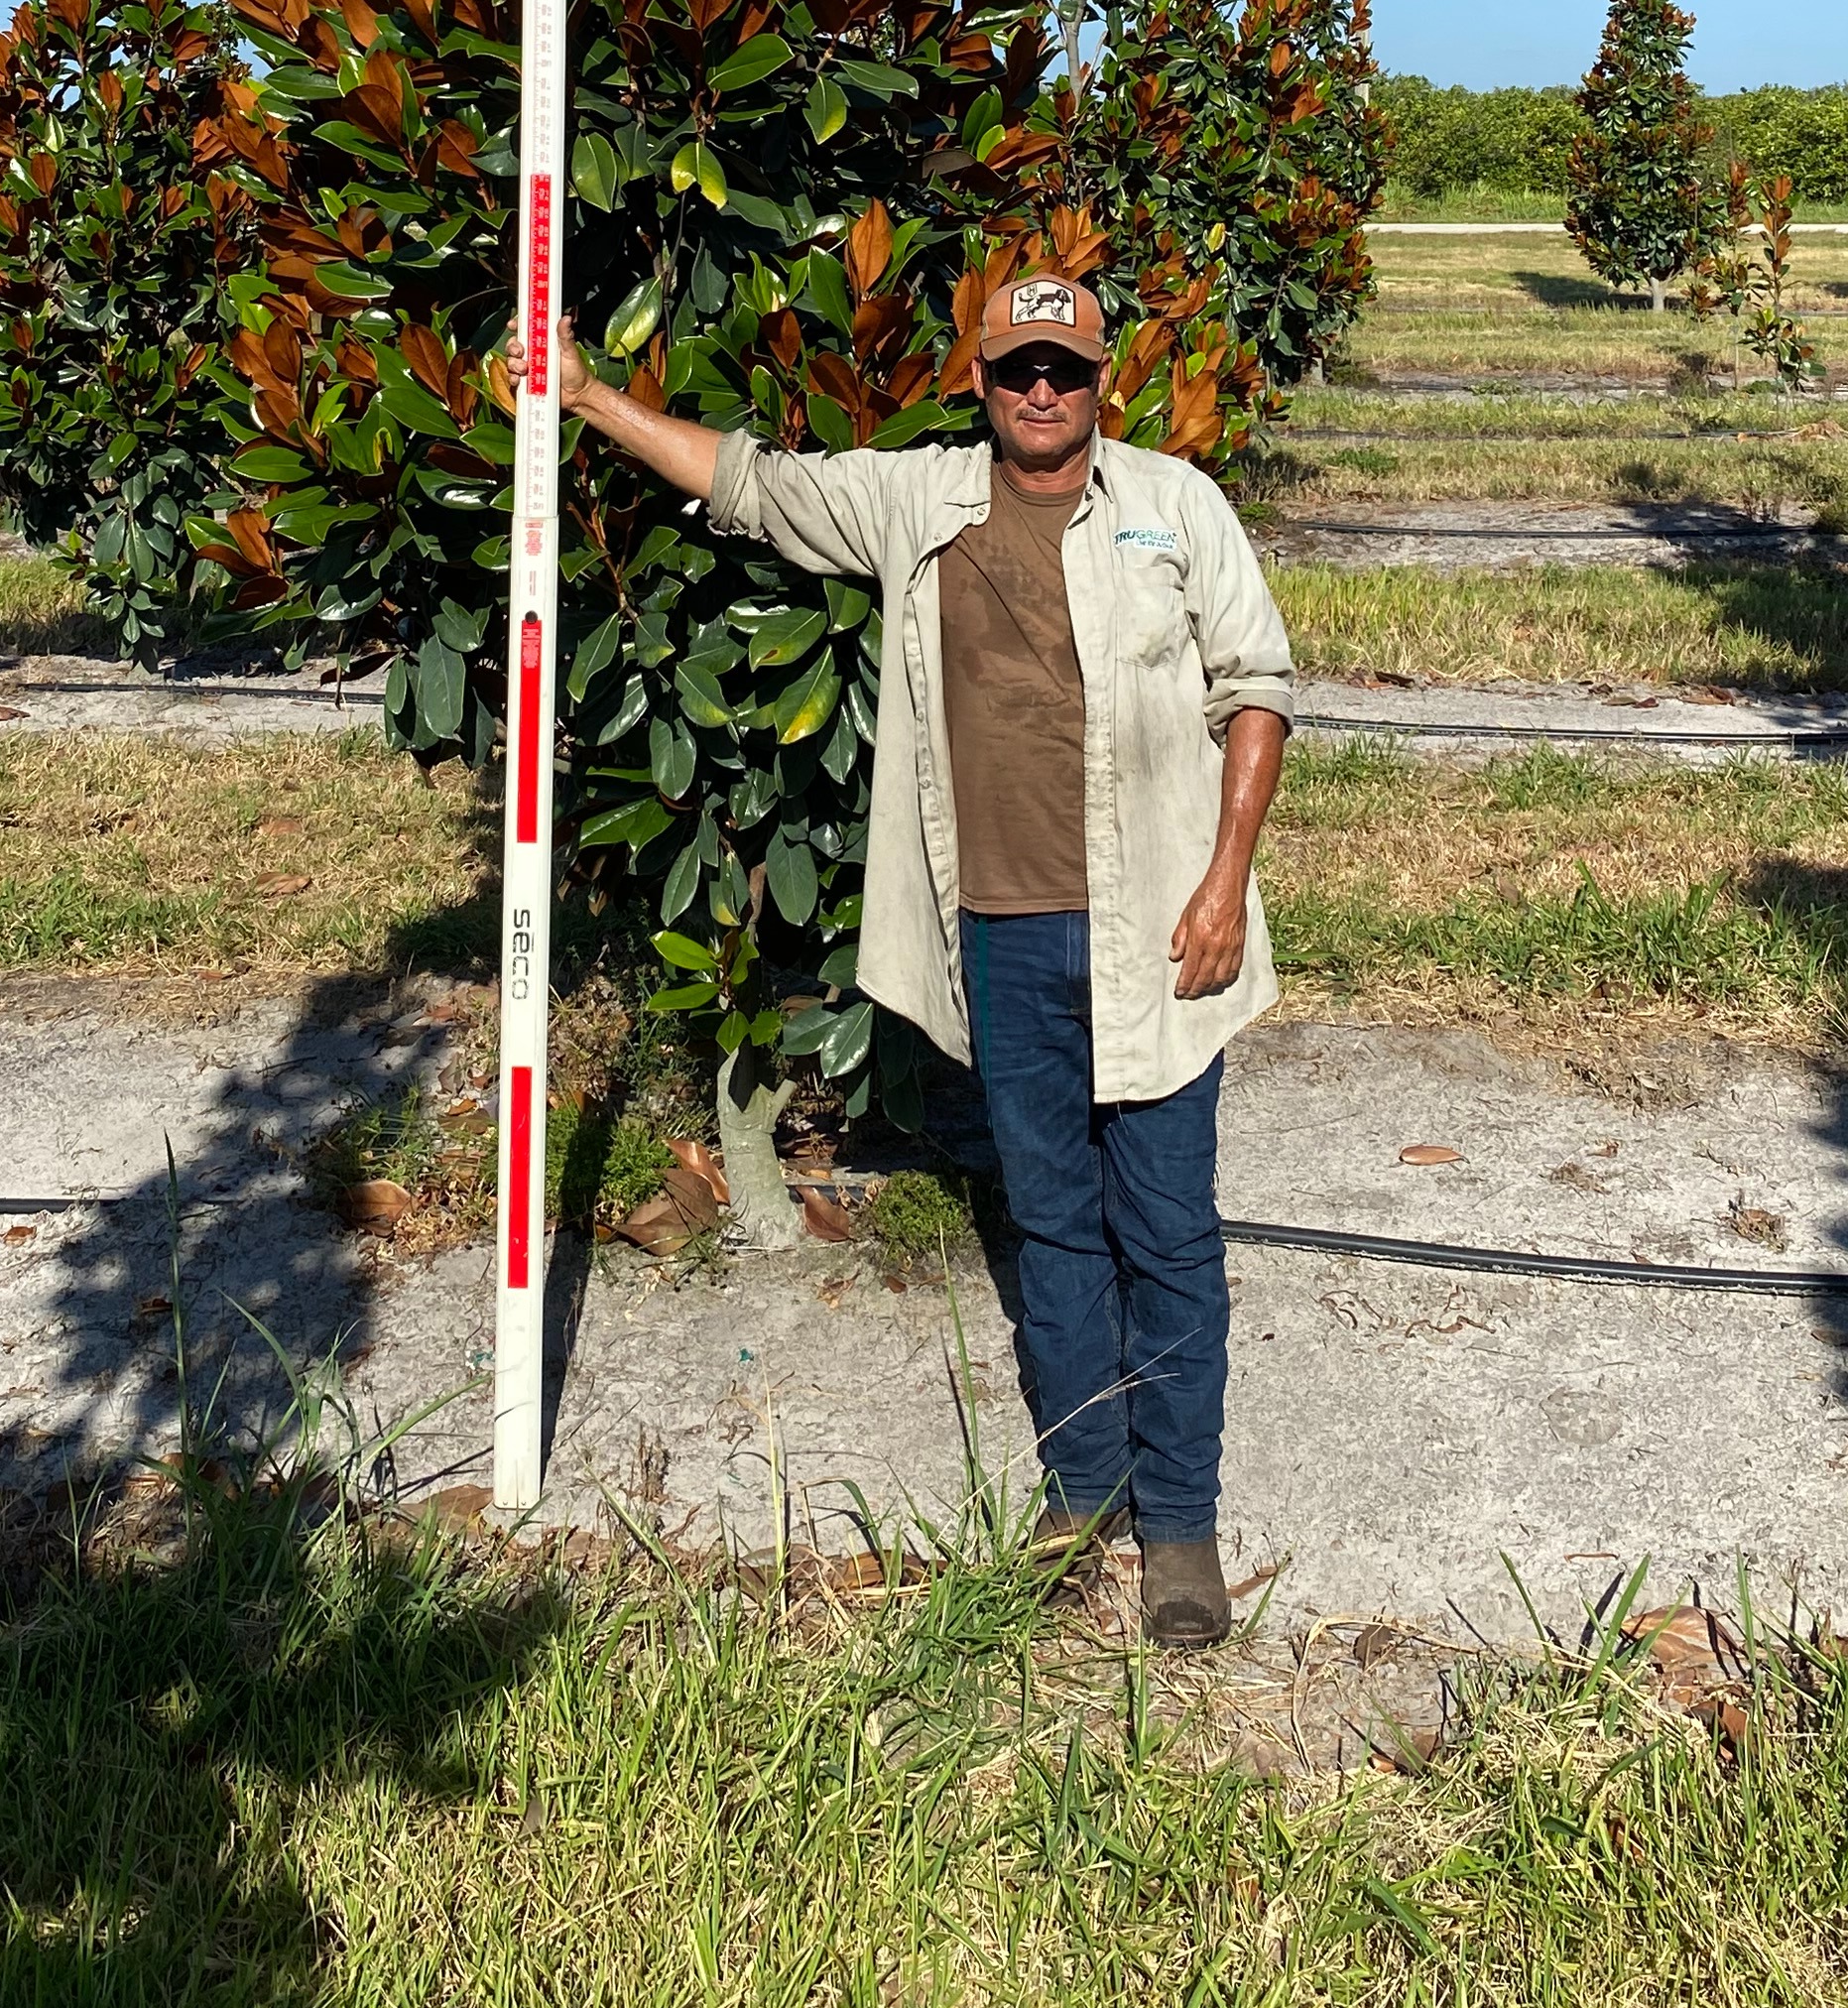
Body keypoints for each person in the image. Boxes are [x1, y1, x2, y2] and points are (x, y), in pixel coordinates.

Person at [519, 269, 1293, 1645]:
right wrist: (584, 398)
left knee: (1167, 1233)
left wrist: (1227, 880)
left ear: (1101, 377)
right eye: (1016, 372)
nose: (1040, 393)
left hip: (1161, 934)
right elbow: (755, 482)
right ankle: (1080, 1489)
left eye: (1063, 369)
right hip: (996, 936)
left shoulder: (1180, 508)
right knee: (1050, 1222)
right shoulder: (916, 502)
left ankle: (1181, 1523)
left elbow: (1258, 691)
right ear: (978, 381)